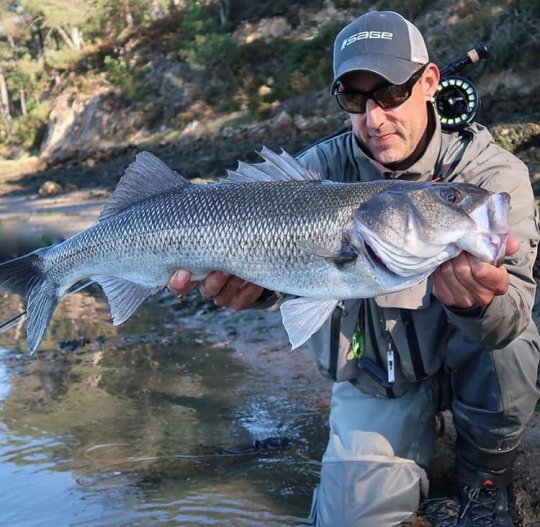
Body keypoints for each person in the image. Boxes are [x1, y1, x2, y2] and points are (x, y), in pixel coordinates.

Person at [168, 10, 540, 527]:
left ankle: (485, 477)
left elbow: (514, 311)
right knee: (350, 518)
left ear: (430, 82)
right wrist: (258, 291)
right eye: (354, 99)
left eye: (390, 93)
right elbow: (287, 273)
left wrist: (482, 304)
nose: (375, 118)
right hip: (379, 377)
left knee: (509, 336)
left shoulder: (492, 176)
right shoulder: (314, 173)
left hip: (467, 364)